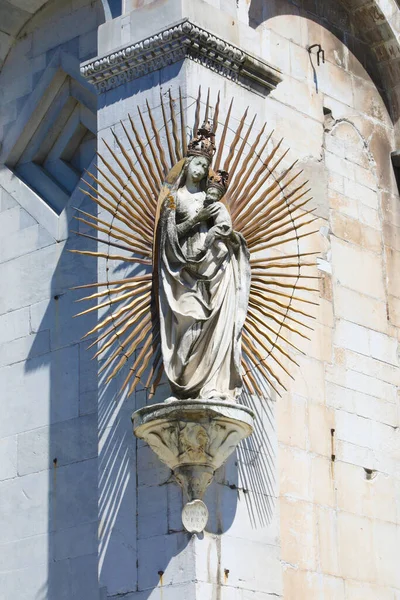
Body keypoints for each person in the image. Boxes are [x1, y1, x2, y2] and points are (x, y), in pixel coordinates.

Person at [157, 124, 250, 403]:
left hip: (213, 269)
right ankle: (184, 382)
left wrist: (221, 236)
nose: (200, 169)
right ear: (187, 165)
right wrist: (197, 221)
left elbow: (225, 228)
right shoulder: (175, 199)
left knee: (214, 322)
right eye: (197, 163)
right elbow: (170, 236)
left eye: (204, 165)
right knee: (191, 321)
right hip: (182, 272)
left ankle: (211, 384)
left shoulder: (211, 200)